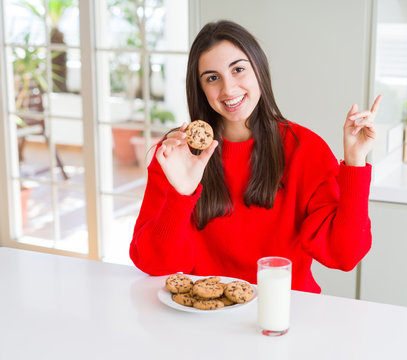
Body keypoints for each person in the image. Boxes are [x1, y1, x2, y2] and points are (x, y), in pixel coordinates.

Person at [129, 20, 382, 293]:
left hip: (283, 313)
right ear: (200, 88)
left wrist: (355, 162)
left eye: (238, 69)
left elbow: (344, 256)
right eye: (212, 78)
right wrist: (181, 194)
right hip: (203, 317)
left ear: (259, 70)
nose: (228, 89)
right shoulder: (176, 155)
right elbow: (154, 264)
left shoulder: (305, 149)